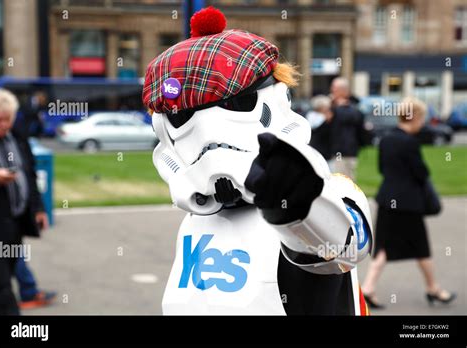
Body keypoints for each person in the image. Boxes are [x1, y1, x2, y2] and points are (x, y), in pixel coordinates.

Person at [143, 7, 373, 315]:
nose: (211, 137)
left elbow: (342, 246)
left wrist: (300, 205)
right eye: (182, 116)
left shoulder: (331, 191)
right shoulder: (197, 221)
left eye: (237, 102)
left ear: (277, 101)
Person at [361, 97, 456, 309]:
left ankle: (367, 288)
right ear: (416, 117)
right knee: (420, 246)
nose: (423, 122)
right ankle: (434, 289)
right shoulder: (410, 142)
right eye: (422, 117)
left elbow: (382, 169)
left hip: (387, 199)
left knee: (384, 246)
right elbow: (421, 173)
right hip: (408, 203)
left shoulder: (386, 139)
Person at [0, 88, 49, 315]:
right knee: (2, 287)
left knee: (6, 274)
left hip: (14, 224)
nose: (4, 124)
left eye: (8, 119)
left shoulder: (16, 136)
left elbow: (30, 172)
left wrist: (38, 208)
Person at [329, 77, 366, 180]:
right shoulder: (333, 106)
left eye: (334, 89)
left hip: (344, 152)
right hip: (334, 151)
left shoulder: (352, 108)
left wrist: (336, 107)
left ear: (342, 91)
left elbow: (355, 122)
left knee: (343, 183)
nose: (332, 90)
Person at [306, 95, 333, 160]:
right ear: (321, 107)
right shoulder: (324, 118)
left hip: (314, 148)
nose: (329, 108)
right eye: (327, 107)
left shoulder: (309, 115)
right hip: (321, 150)